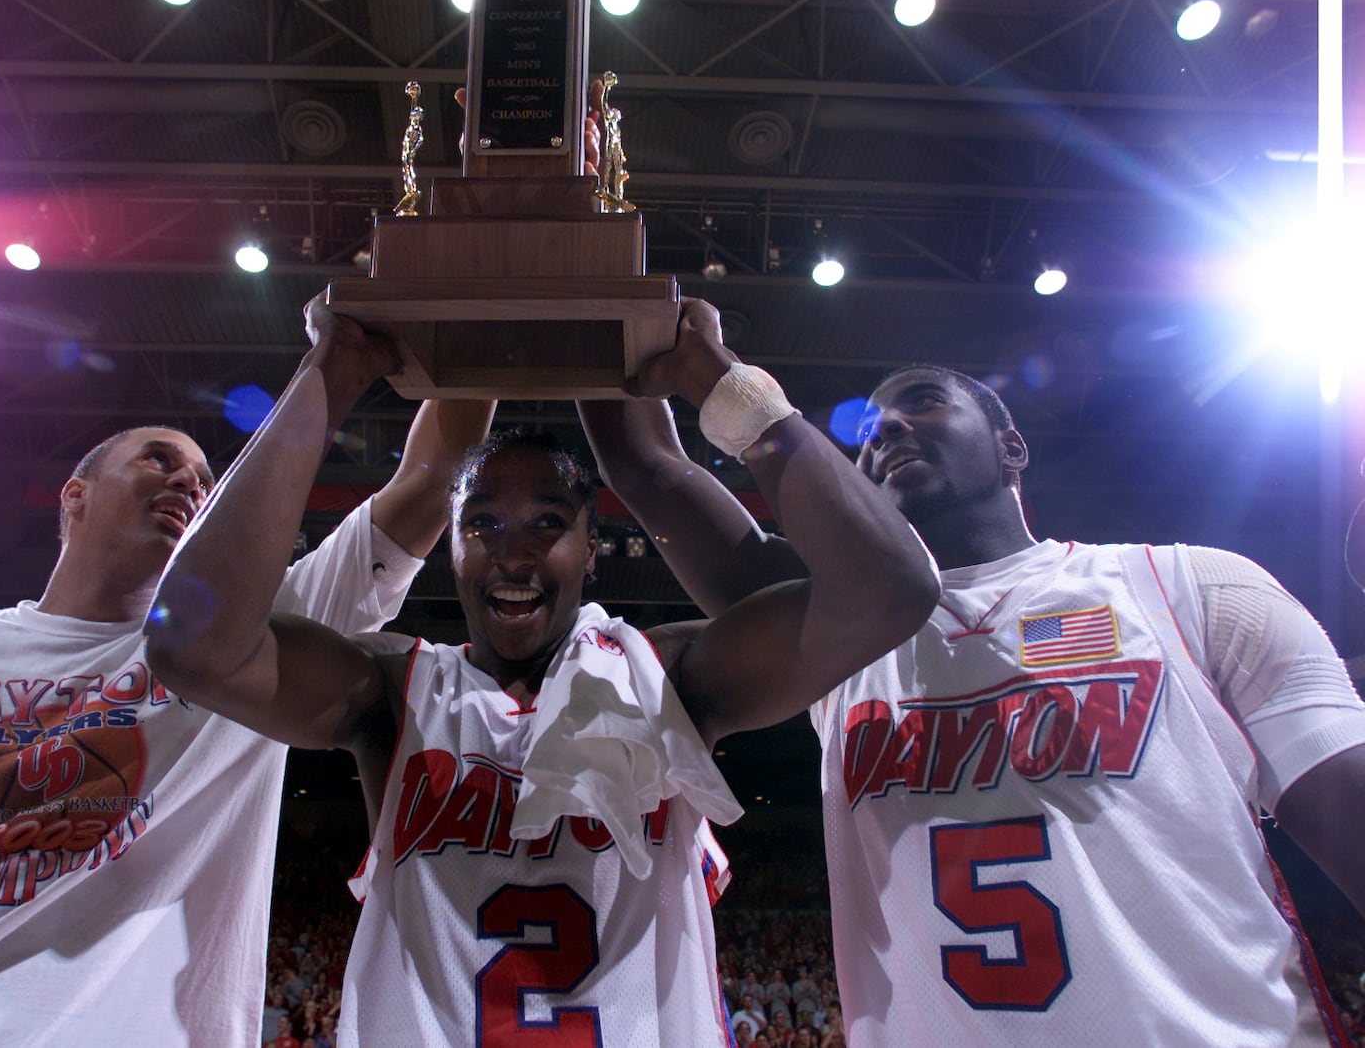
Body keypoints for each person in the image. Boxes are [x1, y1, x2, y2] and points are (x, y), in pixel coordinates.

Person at [144, 298, 938, 1046]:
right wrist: (329, 375)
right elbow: (192, 645)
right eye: (481, 522)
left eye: (548, 523)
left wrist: (722, 384)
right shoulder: (390, 690)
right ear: (447, 548)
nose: (513, 549)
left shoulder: (668, 677)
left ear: (593, 551)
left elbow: (890, 586)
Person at [586, 363, 1365, 1046]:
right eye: (865, 433)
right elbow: (647, 463)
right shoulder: (838, 635)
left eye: (922, 401)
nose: (885, 426)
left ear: (1011, 446)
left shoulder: (1190, 588)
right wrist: (610, 309)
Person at [0, 316, 493, 1042]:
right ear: (73, 495)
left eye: (207, 480)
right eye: (157, 460)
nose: (189, 480)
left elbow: (431, 485)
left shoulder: (245, 645)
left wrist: (462, 280)